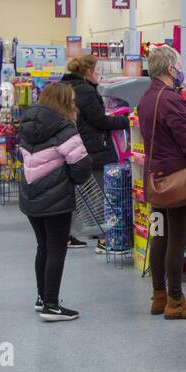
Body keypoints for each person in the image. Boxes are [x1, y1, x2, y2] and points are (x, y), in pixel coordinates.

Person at [137, 44, 186, 319]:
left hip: (155, 181)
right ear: (170, 68)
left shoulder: (145, 98)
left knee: (159, 237)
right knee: (177, 241)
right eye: (179, 66)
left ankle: (159, 296)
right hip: (177, 182)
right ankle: (176, 302)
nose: (181, 71)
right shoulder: (170, 100)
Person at [18, 82, 91, 322]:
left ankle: (42, 298)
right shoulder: (65, 129)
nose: (75, 104)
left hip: (31, 197)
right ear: (64, 102)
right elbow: (82, 167)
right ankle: (51, 305)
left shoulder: (27, 125)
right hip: (56, 198)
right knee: (57, 250)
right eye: (72, 100)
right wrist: (70, 178)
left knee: (43, 247)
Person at [61, 55, 130, 251]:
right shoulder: (85, 91)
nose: (99, 74)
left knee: (80, 193)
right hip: (95, 148)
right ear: (87, 72)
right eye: (97, 70)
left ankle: (69, 234)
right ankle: (103, 239)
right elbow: (99, 121)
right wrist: (126, 120)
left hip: (78, 147)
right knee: (102, 194)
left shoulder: (68, 87)